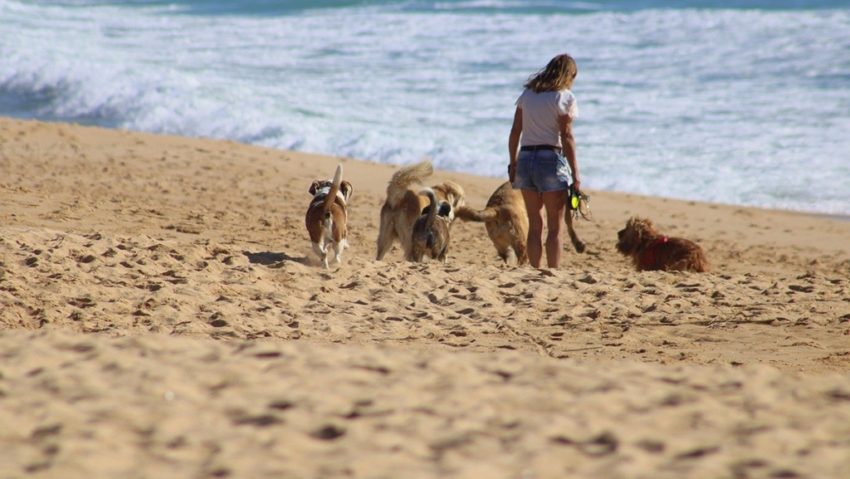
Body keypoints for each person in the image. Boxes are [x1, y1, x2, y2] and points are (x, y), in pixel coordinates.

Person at [508, 53, 581, 269]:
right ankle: (553, 273)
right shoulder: (565, 97)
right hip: (550, 159)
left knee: (534, 224)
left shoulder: (527, 95)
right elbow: (567, 137)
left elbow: (515, 133)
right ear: (568, 75)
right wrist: (576, 174)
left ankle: (535, 270)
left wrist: (513, 164)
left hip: (526, 158)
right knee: (555, 227)